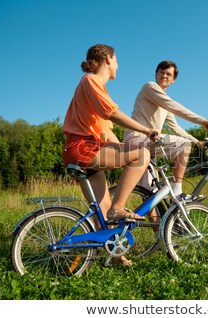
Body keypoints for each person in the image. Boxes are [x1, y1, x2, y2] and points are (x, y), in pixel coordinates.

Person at [62, 44, 160, 235]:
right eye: (116, 60)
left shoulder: (97, 91)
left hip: (83, 152)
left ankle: (115, 256)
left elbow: (107, 134)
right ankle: (119, 208)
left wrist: (128, 152)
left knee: (103, 214)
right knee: (141, 155)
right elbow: (112, 113)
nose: (117, 65)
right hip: (82, 148)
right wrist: (147, 131)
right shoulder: (90, 81)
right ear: (107, 59)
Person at [124, 60, 208, 199]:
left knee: (150, 195)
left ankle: (155, 221)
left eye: (169, 74)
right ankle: (178, 192)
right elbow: (172, 105)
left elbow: (175, 128)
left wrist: (198, 142)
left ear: (173, 80)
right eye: (161, 72)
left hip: (147, 145)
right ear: (156, 74)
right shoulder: (150, 87)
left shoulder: (163, 102)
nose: (164, 76)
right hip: (138, 138)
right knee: (184, 145)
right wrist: (202, 121)